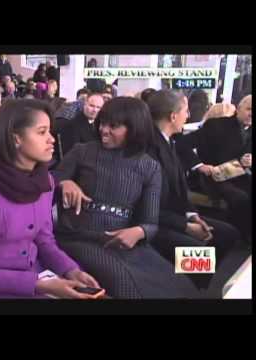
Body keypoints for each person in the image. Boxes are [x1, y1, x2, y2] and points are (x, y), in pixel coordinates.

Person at [0, 99, 104, 299]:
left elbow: (44, 241)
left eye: (50, 131)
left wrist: (71, 271)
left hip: (35, 277)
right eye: (42, 132)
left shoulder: (46, 182)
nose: (51, 139)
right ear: (16, 139)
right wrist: (41, 286)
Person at [53, 97, 198, 298]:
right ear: (173, 116)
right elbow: (50, 180)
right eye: (103, 123)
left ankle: (204, 286)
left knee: (196, 267)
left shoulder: (157, 157)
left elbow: (156, 215)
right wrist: (64, 182)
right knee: (132, 283)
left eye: (113, 126)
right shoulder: (84, 151)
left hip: (140, 234)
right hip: (85, 236)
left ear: (135, 128)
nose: (104, 129)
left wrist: (142, 231)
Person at [146, 90, 243, 289]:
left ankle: (192, 281)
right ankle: (185, 283)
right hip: (155, 220)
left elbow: (178, 191)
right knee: (201, 247)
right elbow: (151, 204)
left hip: (175, 213)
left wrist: (192, 216)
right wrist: (186, 225)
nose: (188, 116)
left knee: (228, 234)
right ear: (173, 116)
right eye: (185, 111)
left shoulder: (168, 141)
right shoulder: (151, 148)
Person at [176, 95, 252, 243]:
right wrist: (199, 166)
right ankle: (238, 240)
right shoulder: (216, 125)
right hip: (211, 176)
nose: (251, 114)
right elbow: (182, 144)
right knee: (240, 198)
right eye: (249, 109)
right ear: (239, 108)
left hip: (240, 176)